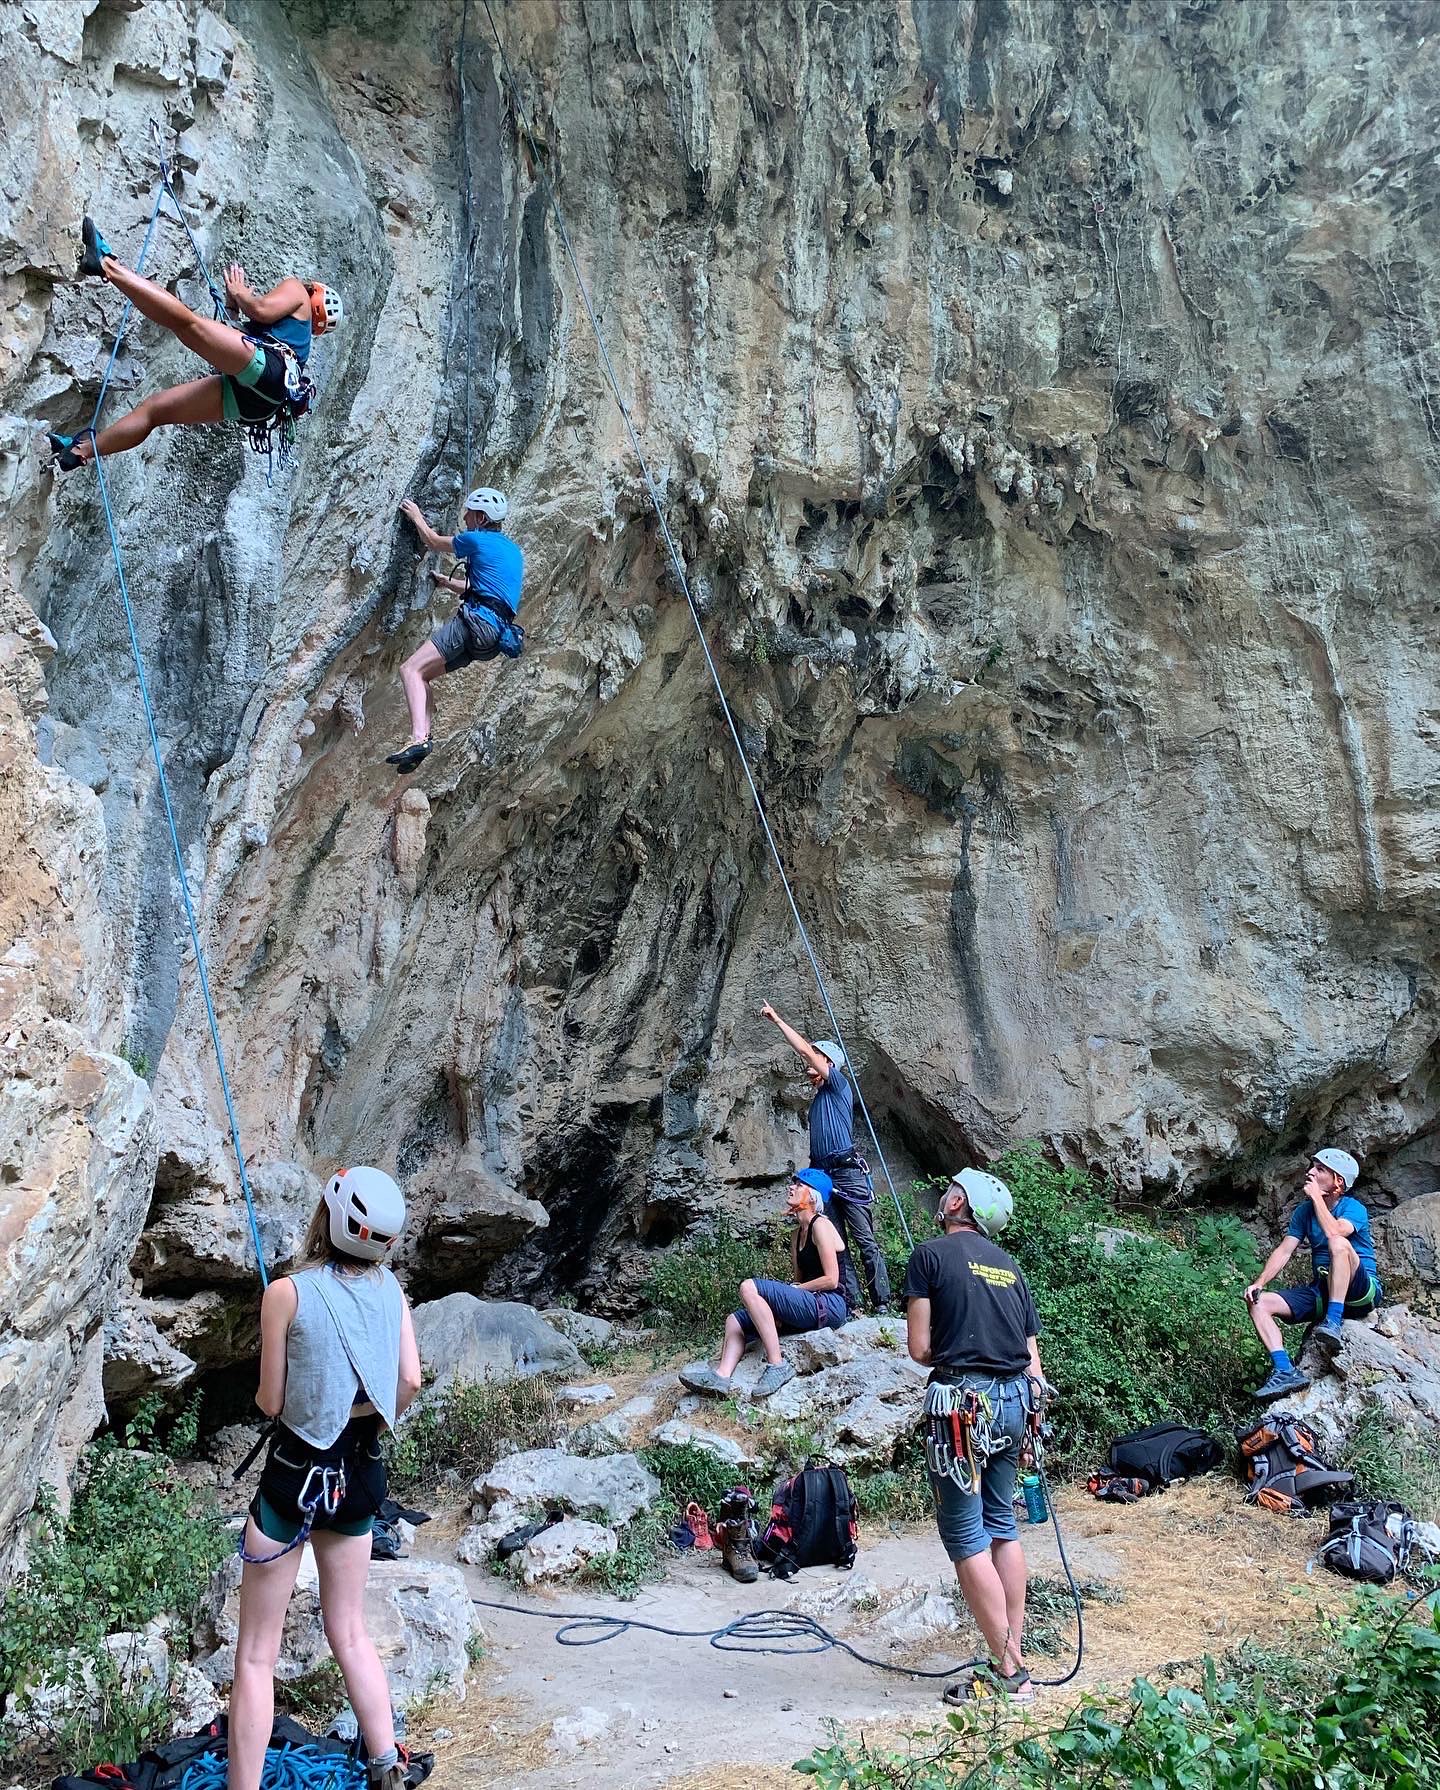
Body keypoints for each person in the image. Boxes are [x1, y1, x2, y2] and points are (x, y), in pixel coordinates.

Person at [231, 1167, 422, 1790]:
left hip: (293, 1480)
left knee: (257, 1653)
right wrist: (361, 1410)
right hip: (359, 1474)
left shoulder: (286, 1292)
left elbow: (269, 1400)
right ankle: (385, 1764)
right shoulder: (393, 1292)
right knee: (350, 1628)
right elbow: (410, 1383)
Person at [903, 1167, 1047, 1706]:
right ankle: (1008, 1655)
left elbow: (920, 1350)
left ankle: (1011, 1672)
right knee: (1001, 1524)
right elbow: (1033, 1358)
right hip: (1016, 1402)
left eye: (948, 1190)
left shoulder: (930, 1256)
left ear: (958, 1200)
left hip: (961, 1403)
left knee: (966, 1533)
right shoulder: (1011, 1267)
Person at [47, 217, 341, 470]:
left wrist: (241, 293)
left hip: (269, 373)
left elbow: (261, 310)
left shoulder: (299, 292)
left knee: (188, 324)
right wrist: (232, 302)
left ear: (314, 294)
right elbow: (232, 340)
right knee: (155, 411)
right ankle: (79, 451)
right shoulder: (297, 338)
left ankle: (106, 265)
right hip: (260, 403)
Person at [758, 1000, 891, 1312]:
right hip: (824, 1175)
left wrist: (778, 1019)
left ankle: (882, 1303)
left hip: (846, 1171)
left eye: (816, 1058)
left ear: (829, 1063)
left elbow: (805, 1051)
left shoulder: (838, 1085)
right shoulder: (818, 1101)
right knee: (834, 1241)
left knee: (864, 1239)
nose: (809, 1064)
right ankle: (852, 1303)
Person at [679, 1169, 848, 1400]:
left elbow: (832, 1279)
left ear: (812, 1197)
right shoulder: (796, 1235)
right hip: (810, 1302)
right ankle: (721, 1377)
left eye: (799, 1185)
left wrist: (794, 1291)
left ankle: (777, 1365)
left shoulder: (821, 1225)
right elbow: (800, 1279)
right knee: (734, 1320)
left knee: (749, 1287)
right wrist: (782, 1304)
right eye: (793, 1183)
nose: (791, 1187)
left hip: (830, 1304)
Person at [387, 488, 524, 773]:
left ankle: (418, 738)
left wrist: (416, 516)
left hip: (474, 621)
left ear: (482, 518)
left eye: (469, 513)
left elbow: (434, 541)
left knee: (410, 669)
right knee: (423, 676)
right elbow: (488, 592)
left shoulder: (477, 540)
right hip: (491, 640)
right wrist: (447, 584)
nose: (464, 517)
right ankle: (424, 738)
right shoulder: (512, 552)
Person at [1245, 1147, 1381, 1402]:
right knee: (1258, 1302)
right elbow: (1285, 1250)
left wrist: (1317, 1199)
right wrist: (1259, 1283)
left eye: (1320, 1170)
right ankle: (1285, 1370)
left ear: (1338, 1181)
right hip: (1324, 1289)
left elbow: (1336, 1232)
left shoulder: (1353, 1208)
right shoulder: (1304, 1212)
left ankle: (1333, 1322)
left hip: (1361, 1292)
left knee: (1338, 1244)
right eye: (1313, 1167)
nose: (1310, 1172)